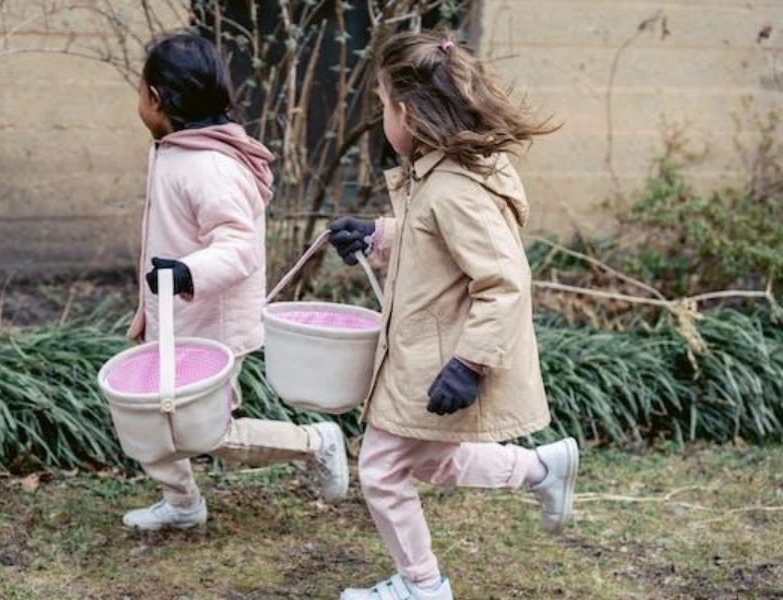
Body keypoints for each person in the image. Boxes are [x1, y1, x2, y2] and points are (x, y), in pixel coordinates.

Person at [327, 31, 578, 600]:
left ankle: (423, 585)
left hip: (438, 360)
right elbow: (432, 247)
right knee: (434, 461)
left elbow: (504, 280)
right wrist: (376, 236)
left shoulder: (453, 188)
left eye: (384, 107)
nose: (382, 119)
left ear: (409, 114)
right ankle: (543, 470)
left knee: (382, 471)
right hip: (422, 355)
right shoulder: (432, 174)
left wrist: (469, 363)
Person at [120, 33, 348, 531]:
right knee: (146, 414)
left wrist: (184, 274)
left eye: (140, 89)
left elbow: (238, 247)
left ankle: (316, 443)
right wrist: (151, 309)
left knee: (206, 432)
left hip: (210, 323)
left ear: (156, 99)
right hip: (178, 316)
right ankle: (182, 503)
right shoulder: (178, 150)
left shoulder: (209, 166)